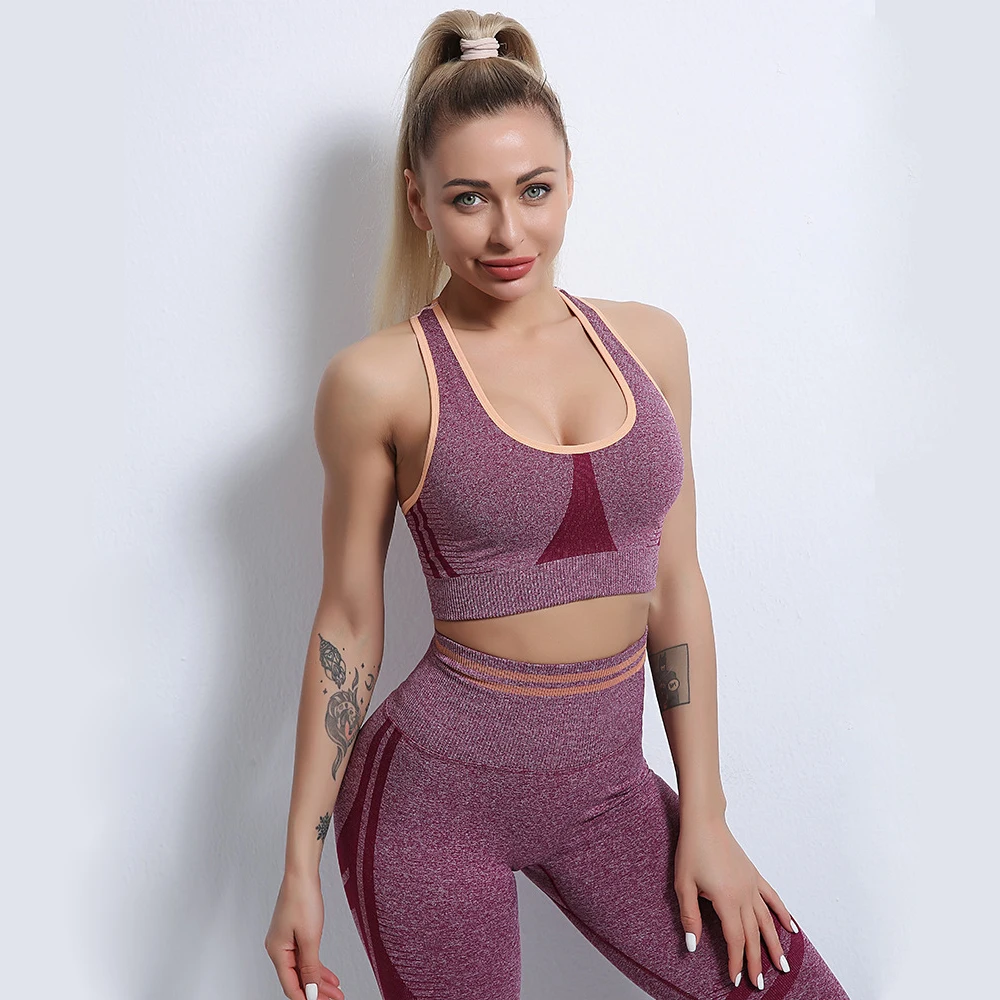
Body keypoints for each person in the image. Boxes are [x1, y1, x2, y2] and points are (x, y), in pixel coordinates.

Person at [265, 10, 852, 1000]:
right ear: (418, 202)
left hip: (608, 794)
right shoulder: (381, 382)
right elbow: (349, 626)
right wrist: (297, 867)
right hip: (429, 806)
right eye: (469, 199)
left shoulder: (650, 346)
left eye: (534, 190)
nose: (508, 232)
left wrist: (705, 815)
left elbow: (674, 582)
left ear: (570, 180)